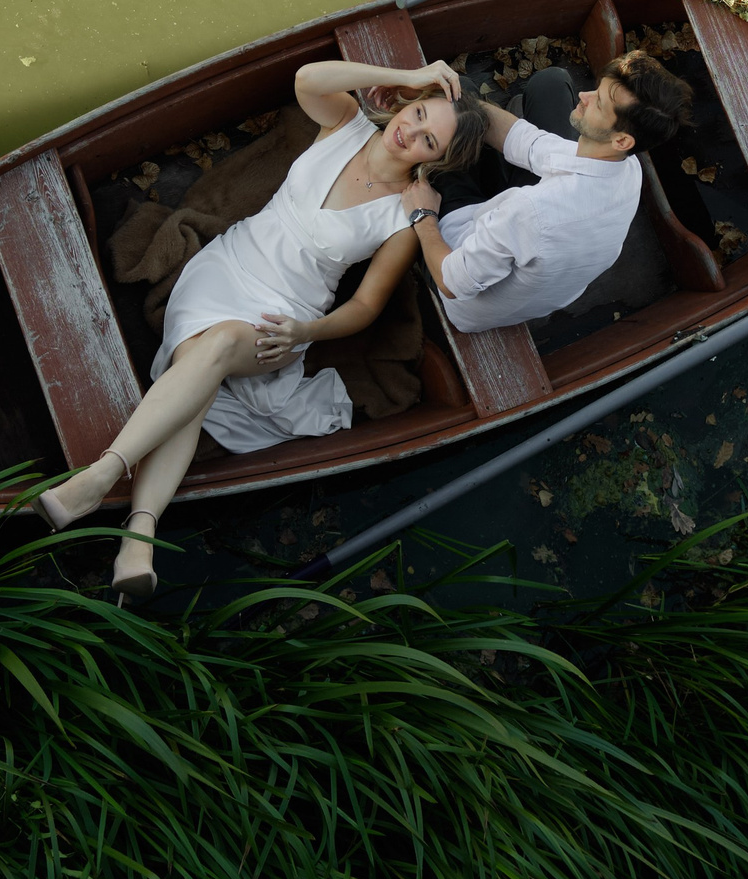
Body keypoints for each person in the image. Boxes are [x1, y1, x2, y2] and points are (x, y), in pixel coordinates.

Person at [38, 58, 489, 598]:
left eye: (428, 141)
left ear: (434, 162)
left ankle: (103, 475)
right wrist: (411, 75)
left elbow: (368, 305)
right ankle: (139, 531)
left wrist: (304, 333)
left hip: (284, 316)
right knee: (200, 372)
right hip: (225, 269)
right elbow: (306, 80)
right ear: (405, 101)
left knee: (220, 346)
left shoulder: (401, 215)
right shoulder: (345, 124)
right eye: (416, 114)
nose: (409, 132)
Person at [402, 51, 693, 334]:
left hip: (458, 270)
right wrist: (462, 101)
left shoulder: (532, 211)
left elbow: (452, 283)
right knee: (482, 93)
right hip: (518, 241)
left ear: (621, 139)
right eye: (595, 90)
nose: (583, 96)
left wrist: (424, 216)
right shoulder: (628, 170)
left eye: (598, 104)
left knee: (450, 119)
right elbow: (528, 143)